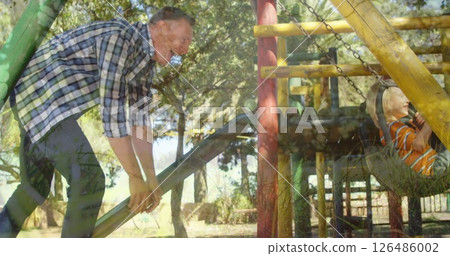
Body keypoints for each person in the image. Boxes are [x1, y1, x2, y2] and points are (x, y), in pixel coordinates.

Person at [0, 6, 195, 238]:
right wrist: (134, 176)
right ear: (161, 27)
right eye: (184, 39)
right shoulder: (120, 37)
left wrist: (151, 180)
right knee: (89, 179)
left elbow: (140, 120)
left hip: (41, 105)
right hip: (41, 98)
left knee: (34, 189)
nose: (185, 50)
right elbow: (112, 111)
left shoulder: (145, 63)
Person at [366, 79, 449, 176]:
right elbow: (419, 144)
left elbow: (418, 145)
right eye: (402, 96)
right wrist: (430, 120)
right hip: (433, 168)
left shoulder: (392, 128)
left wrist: (421, 125)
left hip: (429, 168)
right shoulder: (393, 127)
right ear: (385, 103)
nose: (408, 100)